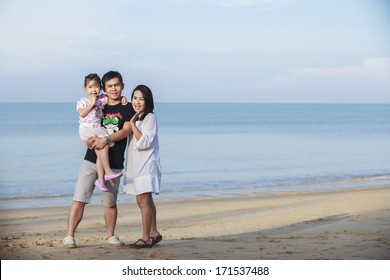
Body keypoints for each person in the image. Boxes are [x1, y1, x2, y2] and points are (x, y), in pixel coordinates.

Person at [63, 71, 135, 248]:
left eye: (117, 85)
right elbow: (87, 124)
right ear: (104, 88)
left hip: (114, 162)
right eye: (109, 86)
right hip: (91, 159)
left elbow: (126, 131)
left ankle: (110, 236)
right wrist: (88, 141)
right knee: (79, 198)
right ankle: (69, 236)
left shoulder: (128, 107)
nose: (113, 89)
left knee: (110, 203)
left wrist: (107, 139)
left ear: (122, 86)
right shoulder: (99, 104)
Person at [124, 85, 162, 248]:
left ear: (147, 101)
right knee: (147, 200)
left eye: (141, 98)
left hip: (147, 165)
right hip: (137, 165)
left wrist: (132, 124)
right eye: (134, 98)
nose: (137, 102)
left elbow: (145, 142)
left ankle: (145, 237)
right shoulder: (137, 117)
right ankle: (154, 233)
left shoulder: (150, 118)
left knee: (143, 201)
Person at [77, 73, 124, 192]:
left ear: (101, 88)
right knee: (105, 145)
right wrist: (92, 103)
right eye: (91, 87)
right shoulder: (83, 101)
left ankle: (101, 181)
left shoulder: (102, 98)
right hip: (87, 128)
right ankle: (107, 171)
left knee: (100, 152)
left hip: (96, 127)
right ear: (85, 88)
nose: (94, 89)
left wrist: (123, 98)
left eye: (96, 86)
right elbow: (82, 114)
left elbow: (113, 98)